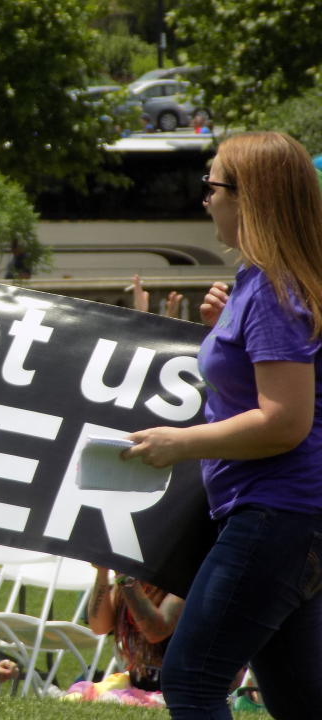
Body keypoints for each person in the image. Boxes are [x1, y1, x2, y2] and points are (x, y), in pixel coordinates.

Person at [124, 132, 322, 719]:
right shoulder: (265, 283)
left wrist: (177, 444)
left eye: (210, 185)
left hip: (276, 513)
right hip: (294, 518)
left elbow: (284, 422)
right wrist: (222, 329)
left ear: (249, 197)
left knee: (191, 681)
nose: (204, 198)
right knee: (302, 703)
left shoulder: (274, 288)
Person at [66, 567, 183, 704]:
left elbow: (155, 632)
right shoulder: (131, 581)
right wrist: (102, 571)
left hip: (178, 690)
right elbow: (99, 627)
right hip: (138, 685)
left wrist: (125, 577)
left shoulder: (185, 580)